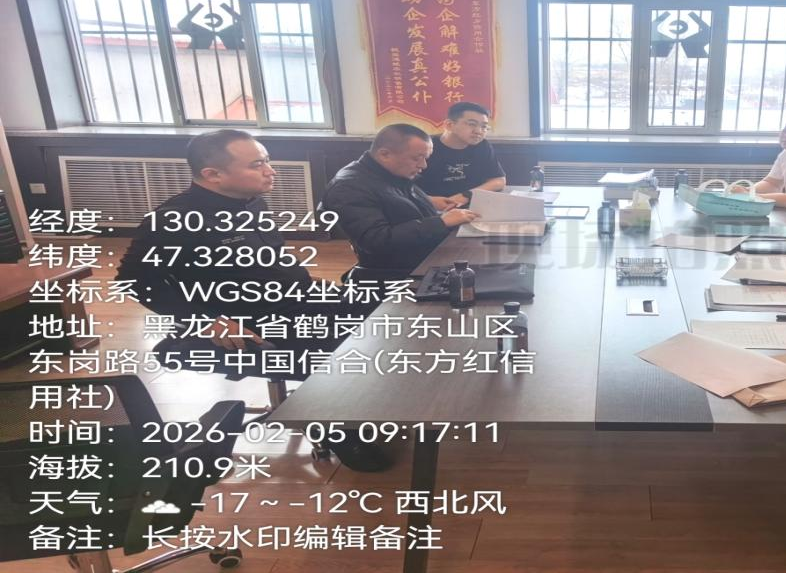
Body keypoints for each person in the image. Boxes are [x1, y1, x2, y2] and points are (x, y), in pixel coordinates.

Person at [116, 129, 391, 472]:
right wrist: (205, 321)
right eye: (257, 164)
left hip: (297, 300)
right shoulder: (174, 220)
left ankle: (368, 404)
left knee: (390, 314)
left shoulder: (252, 202)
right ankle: (330, 420)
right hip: (248, 322)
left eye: (267, 161)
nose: (270, 171)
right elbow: (134, 280)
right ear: (213, 174)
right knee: (342, 349)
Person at [320, 124, 478, 279]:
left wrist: (439, 210)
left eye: (425, 158)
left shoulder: (392, 173)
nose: (423, 165)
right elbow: (376, 241)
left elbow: (402, 209)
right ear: (385, 154)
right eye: (417, 158)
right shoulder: (349, 187)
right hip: (398, 273)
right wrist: (441, 222)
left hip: (425, 256)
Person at [415, 102, 506, 208]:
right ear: (449, 125)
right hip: (429, 208)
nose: (478, 131)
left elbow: (499, 180)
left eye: (484, 126)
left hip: (471, 206)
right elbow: (402, 186)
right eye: (472, 124)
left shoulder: (482, 146)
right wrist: (427, 201)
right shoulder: (425, 146)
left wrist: (467, 195)